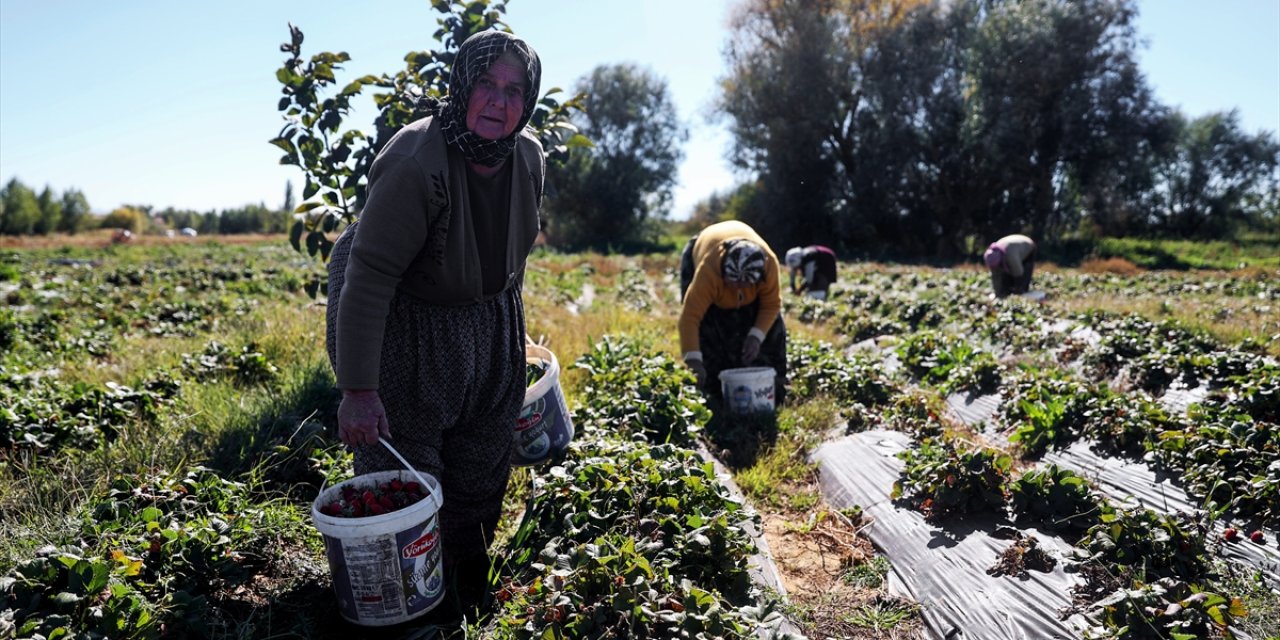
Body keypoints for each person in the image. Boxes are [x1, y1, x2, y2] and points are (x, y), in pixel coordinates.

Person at [324, 29, 545, 620]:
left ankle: (465, 589)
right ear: (462, 86)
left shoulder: (527, 157)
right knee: (406, 474)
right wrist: (359, 391)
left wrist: (509, 332)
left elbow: (513, 254)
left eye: (514, 90)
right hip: (411, 325)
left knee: (483, 460)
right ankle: (404, 610)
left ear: (528, 101)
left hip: (490, 321)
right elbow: (369, 275)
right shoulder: (416, 160)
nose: (498, 102)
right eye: (485, 84)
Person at [678, 220, 788, 407]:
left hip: (751, 271)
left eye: (745, 284)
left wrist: (756, 336)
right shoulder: (708, 271)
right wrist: (694, 360)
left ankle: (774, 381)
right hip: (703, 248)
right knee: (708, 328)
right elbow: (690, 317)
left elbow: (771, 305)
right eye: (734, 282)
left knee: (772, 326)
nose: (738, 288)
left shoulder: (768, 265)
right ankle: (713, 386)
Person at [983, 234, 1036, 298]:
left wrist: (1017, 288)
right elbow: (995, 276)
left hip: (1027, 244)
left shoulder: (1011, 257)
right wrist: (997, 292)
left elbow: (1019, 272)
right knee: (1005, 276)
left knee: (1023, 275)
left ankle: (1021, 293)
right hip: (1013, 243)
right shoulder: (992, 255)